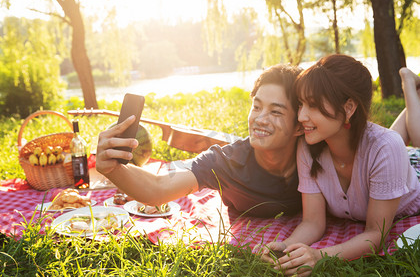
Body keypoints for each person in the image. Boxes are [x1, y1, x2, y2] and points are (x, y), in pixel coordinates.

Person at [260, 54, 420, 277]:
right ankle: (418, 91)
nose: (301, 115)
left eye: (312, 105)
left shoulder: (386, 147)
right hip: (385, 152)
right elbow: (313, 222)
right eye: (301, 104)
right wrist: (287, 246)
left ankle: (413, 88)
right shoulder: (308, 146)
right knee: (386, 143)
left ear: (349, 107)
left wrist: (319, 256)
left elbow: (375, 236)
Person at [95, 64, 305, 218]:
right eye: (257, 107)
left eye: (276, 111)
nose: (260, 120)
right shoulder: (227, 162)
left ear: (300, 124)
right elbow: (157, 189)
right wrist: (112, 168)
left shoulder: (317, 157)